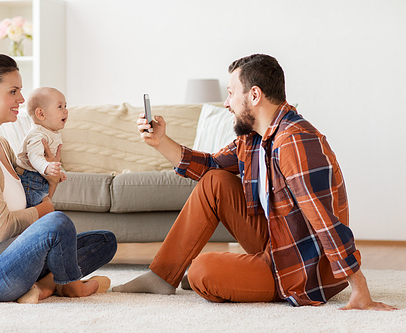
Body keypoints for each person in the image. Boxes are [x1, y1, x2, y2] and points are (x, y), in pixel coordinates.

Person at [113, 54, 397, 311]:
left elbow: (324, 219)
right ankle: (162, 276)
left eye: (231, 93)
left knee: (202, 270)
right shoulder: (252, 138)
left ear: (255, 95)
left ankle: (219, 277)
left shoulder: (295, 141)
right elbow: (209, 166)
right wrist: (160, 142)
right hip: (277, 240)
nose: (226, 103)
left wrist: (359, 286)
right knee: (215, 181)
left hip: (302, 268)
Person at [0, 54, 117, 305]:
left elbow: (32, 211)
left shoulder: (2, 145)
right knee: (58, 221)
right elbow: (1, 227)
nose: (21, 99)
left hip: (23, 260)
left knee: (105, 241)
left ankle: (44, 287)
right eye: (13, 91)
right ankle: (71, 287)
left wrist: (50, 184)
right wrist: (43, 211)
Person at [16, 87, 68, 207]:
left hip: (40, 178)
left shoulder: (50, 132)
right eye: (60, 107)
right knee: (39, 212)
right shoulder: (38, 134)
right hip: (30, 180)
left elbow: (49, 159)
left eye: (65, 106)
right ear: (41, 113)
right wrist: (48, 167)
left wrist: (57, 173)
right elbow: (34, 157)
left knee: (46, 208)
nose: (65, 111)